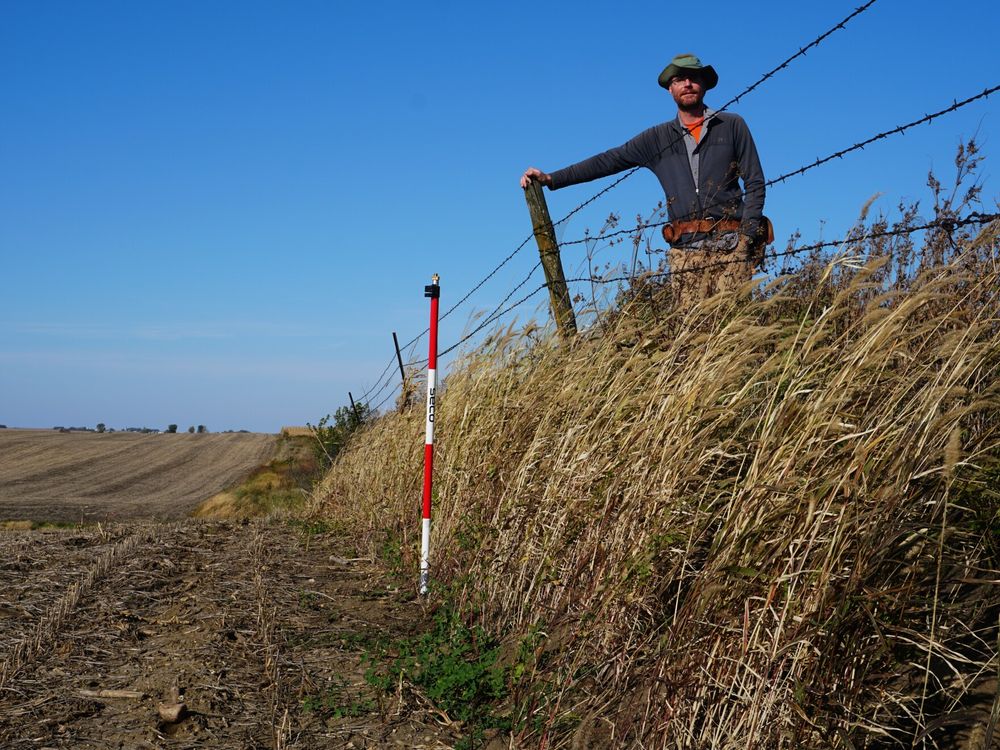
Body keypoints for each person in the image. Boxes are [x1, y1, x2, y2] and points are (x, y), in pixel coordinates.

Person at [521, 53, 771, 306]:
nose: (687, 84)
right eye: (679, 79)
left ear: (704, 84)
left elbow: (755, 182)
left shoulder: (731, 125)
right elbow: (609, 160)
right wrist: (552, 178)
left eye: (693, 78)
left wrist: (746, 241)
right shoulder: (657, 138)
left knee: (734, 329)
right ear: (670, 89)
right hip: (685, 253)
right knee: (692, 334)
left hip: (731, 247)